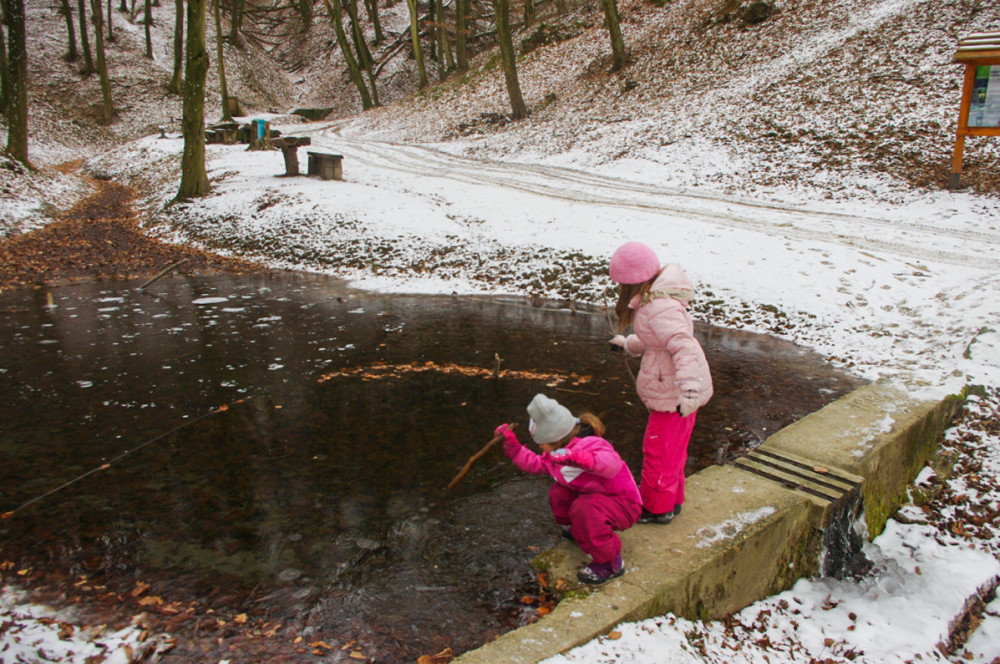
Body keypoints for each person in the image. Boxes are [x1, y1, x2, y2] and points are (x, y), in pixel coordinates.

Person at [608, 241, 713, 525]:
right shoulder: (655, 302)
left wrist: (689, 389)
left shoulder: (659, 307)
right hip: (676, 389)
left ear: (632, 280)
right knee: (673, 450)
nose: (618, 288)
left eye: (620, 282)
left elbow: (682, 345)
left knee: (658, 451)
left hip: (675, 393)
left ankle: (656, 508)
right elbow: (659, 342)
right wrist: (629, 344)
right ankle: (672, 501)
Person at [494, 393, 642, 584]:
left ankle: (610, 562)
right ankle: (577, 530)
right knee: (558, 492)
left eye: (541, 444)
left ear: (556, 440)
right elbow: (535, 464)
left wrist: (577, 458)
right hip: (596, 497)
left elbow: (610, 463)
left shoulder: (591, 444)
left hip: (624, 504)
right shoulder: (555, 455)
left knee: (586, 509)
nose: (540, 448)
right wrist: (512, 446)